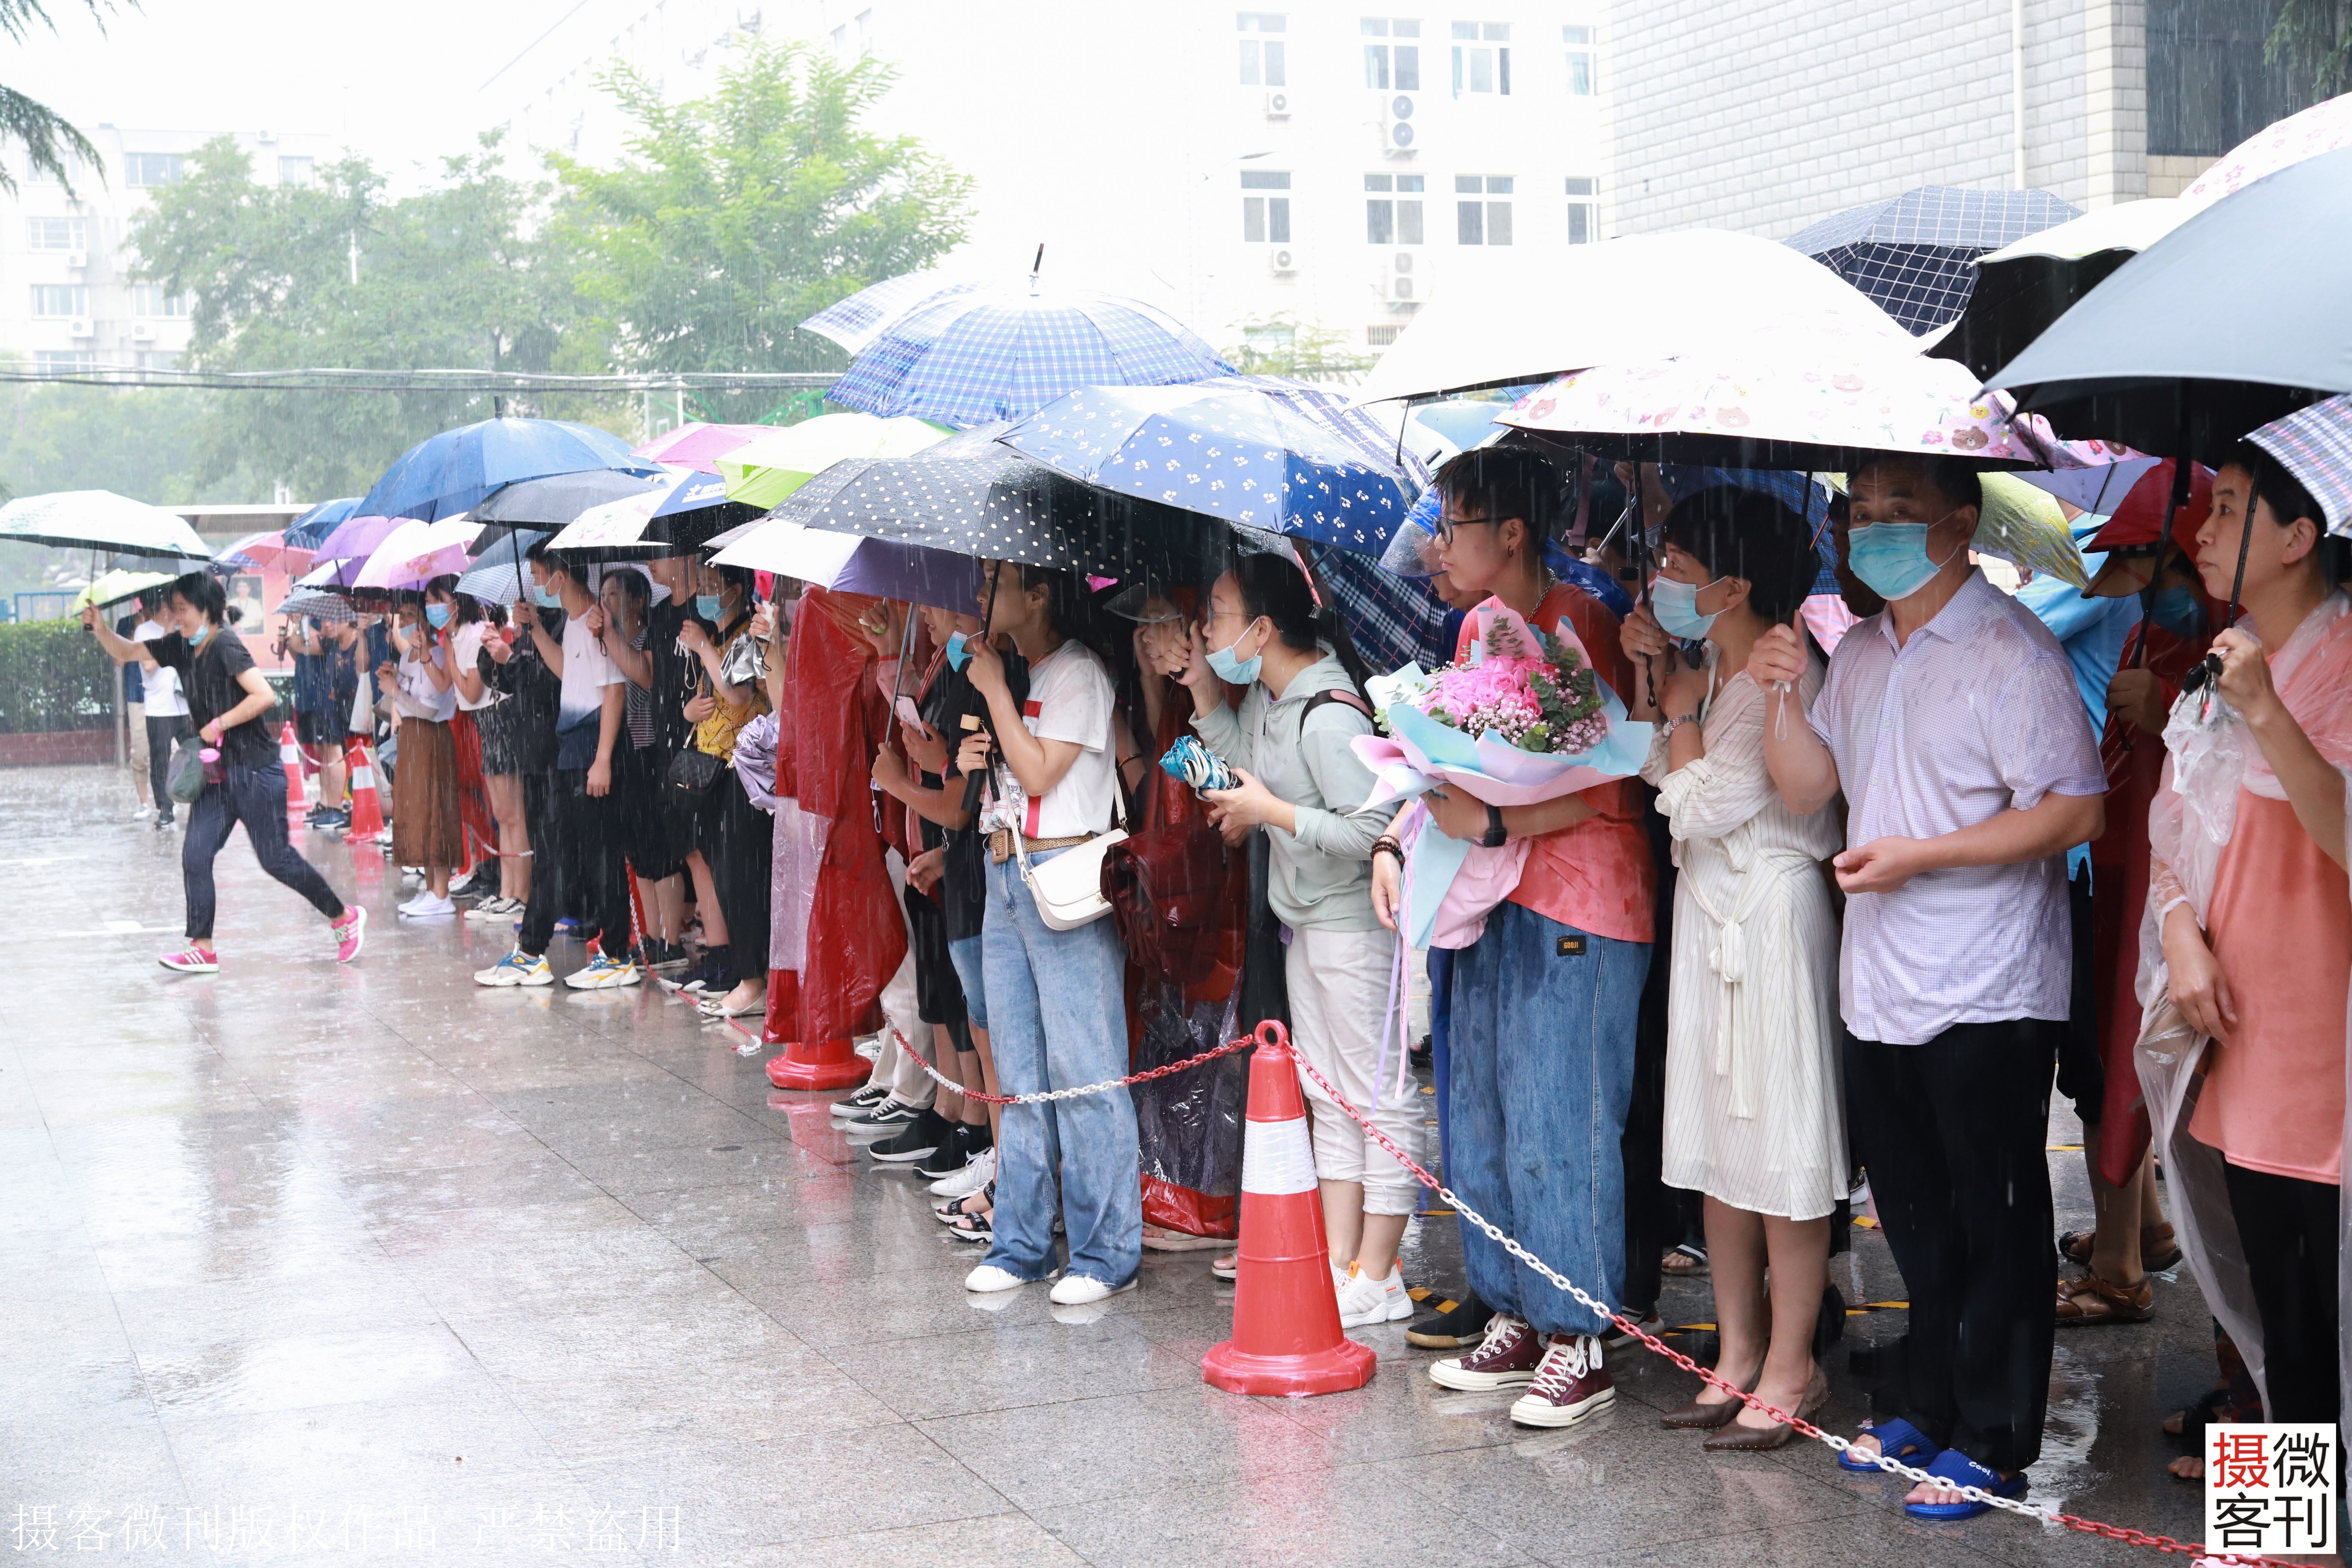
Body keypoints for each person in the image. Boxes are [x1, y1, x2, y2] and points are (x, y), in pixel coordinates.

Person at [1750, 453, 2105, 1519]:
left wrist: (1922, 855)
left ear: (1960, 524)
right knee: (1911, 1211)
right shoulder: (1859, 652)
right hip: (1881, 979)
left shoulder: (2010, 650)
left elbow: (2074, 807)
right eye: (1860, 513)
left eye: (1898, 511)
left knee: (1994, 1215)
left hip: (1987, 981)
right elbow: (1814, 784)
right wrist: (1781, 689)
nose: (1873, 530)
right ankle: (1930, 1401)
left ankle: (1994, 1438)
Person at [1376, 449, 1655, 1429]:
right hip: (1485, 900)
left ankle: (1579, 1333)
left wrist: (1498, 824)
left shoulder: (1586, 624)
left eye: (1452, 526)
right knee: (1483, 1114)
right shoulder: (1473, 628)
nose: (1437, 548)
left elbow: (1617, 783)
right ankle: (1514, 1311)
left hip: (1578, 905)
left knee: (1559, 1122)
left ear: (1512, 533)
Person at [1620, 487, 1845, 1449]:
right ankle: (1736, 1350)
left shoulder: (1774, 674)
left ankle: (1794, 1363)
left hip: (1771, 919)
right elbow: (1659, 776)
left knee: (1777, 1139)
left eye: (1673, 565)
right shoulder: (1711, 674)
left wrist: (1676, 715)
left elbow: (1703, 800)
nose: (1657, 580)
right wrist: (1660, 688)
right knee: (1718, 1143)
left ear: (1733, 581)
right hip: (1710, 913)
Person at [2148, 443, 2351, 1446]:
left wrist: (2269, 714)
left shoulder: (2344, 658)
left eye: (2229, 511)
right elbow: (2168, 826)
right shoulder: (2220, 661)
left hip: (2331, 1040)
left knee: (2334, 1296)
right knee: (2274, 1306)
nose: (2204, 530)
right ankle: (2282, 1539)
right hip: (2239, 1024)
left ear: (2299, 538)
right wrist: (2181, 935)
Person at [1179, 553, 1413, 1328]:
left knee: (1377, 1099)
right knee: (1331, 1098)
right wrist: (1203, 695)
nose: (1207, 627)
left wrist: (1270, 814)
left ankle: (1381, 1267)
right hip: (1305, 925)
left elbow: (1374, 830)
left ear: (1263, 627)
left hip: (1352, 928)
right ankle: (1348, 1265)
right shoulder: (1276, 702)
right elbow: (1239, 768)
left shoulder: (1328, 711)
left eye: (1217, 611)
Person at [955, 561, 1139, 1307]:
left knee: (1085, 1071)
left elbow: (1039, 775)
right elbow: (1009, 778)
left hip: (1062, 875)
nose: (981, 599)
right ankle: (1022, 1243)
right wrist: (975, 753)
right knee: (1021, 1078)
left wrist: (996, 690)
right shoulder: (1024, 671)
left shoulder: (1078, 674)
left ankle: (1104, 1250)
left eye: (995, 583)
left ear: (1038, 594)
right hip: (1004, 875)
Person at [83, 575, 366, 973]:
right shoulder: (182, 646)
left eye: (182, 608)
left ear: (206, 610)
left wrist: (218, 724)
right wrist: (99, 628)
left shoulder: (225, 645)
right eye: (174, 607)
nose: (175, 615)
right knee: (196, 853)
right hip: (217, 775)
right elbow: (128, 651)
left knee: (276, 860)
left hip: (256, 770)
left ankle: (344, 917)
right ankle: (203, 947)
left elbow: (264, 695)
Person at [474, 548, 636, 991]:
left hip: (590, 753)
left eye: (540, 575)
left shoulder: (595, 621)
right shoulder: (576, 625)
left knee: (598, 857)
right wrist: (537, 630)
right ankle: (535, 949)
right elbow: (570, 674)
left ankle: (613, 952)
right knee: (560, 856)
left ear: (561, 576)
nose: (537, 583)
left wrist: (602, 759)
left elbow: (614, 691)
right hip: (572, 752)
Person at [681, 564, 772, 1021]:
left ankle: (754, 977)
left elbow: (737, 697)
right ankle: (745, 973)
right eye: (700, 586)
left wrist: (701, 647)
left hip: (747, 772)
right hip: (714, 771)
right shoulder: (718, 639)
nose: (702, 594)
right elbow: (711, 701)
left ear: (737, 590)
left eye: (712, 587)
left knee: (744, 877)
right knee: (725, 874)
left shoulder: (747, 634)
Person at [594, 565, 690, 970]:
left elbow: (644, 674)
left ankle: (671, 939)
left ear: (637, 600)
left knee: (660, 852)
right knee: (640, 855)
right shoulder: (607, 642)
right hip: (627, 754)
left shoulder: (648, 635)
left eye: (615, 595)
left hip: (653, 752)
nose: (608, 604)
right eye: (604, 596)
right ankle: (651, 937)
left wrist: (610, 636)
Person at [383, 586, 463, 917]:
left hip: (431, 738)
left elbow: (431, 709)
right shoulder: (407, 655)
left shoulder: (439, 653)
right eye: (401, 616)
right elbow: (405, 695)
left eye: (411, 614)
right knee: (416, 812)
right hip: (412, 739)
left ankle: (441, 891)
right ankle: (431, 888)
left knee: (435, 813)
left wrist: (396, 694)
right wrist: (393, 684)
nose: (405, 621)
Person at [451, 600, 529, 923]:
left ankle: (521, 894)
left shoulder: (484, 636)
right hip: (489, 726)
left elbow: (473, 691)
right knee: (503, 815)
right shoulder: (473, 638)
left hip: (503, 725)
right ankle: (508, 890)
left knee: (515, 816)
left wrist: (453, 659)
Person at [132, 594, 193, 833]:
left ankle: (200, 801)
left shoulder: (185, 630)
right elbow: (148, 665)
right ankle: (165, 810)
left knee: (195, 754)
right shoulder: (144, 632)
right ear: (165, 607)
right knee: (160, 761)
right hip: (158, 708)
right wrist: (168, 634)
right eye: (175, 606)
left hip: (185, 705)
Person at [283, 614, 348, 831]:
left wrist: (300, 625)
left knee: (332, 749)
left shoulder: (324, 618)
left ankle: (337, 807)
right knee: (321, 750)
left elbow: (312, 646)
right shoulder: (306, 621)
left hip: (324, 695)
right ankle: (325, 802)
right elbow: (297, 650)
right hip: (307, 693)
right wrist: (296, 628)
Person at [117, 601, 151, 821]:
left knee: (170, 751)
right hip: (137, 695)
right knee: (140, 751)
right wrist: (135, 633)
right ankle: (145, 803)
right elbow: (120, 660)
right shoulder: (126, 624)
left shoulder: (169, 623)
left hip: (165, 697)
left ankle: (169, 801)